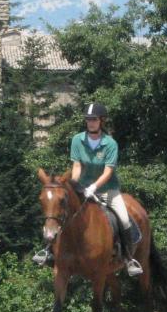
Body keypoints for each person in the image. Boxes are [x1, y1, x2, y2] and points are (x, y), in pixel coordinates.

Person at [33, 102, 143, 276]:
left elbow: (108, 171)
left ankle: (129, 259)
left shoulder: (110, 143)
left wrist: (95, 186)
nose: (90, 122)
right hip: (83, 189)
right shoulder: (78, 140)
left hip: (108, 190)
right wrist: (74, 183)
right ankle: (48, 250)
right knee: (60, 211)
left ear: (101, 121)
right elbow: (76, 165)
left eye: (94, 119)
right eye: (88, 120)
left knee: (124, 219)